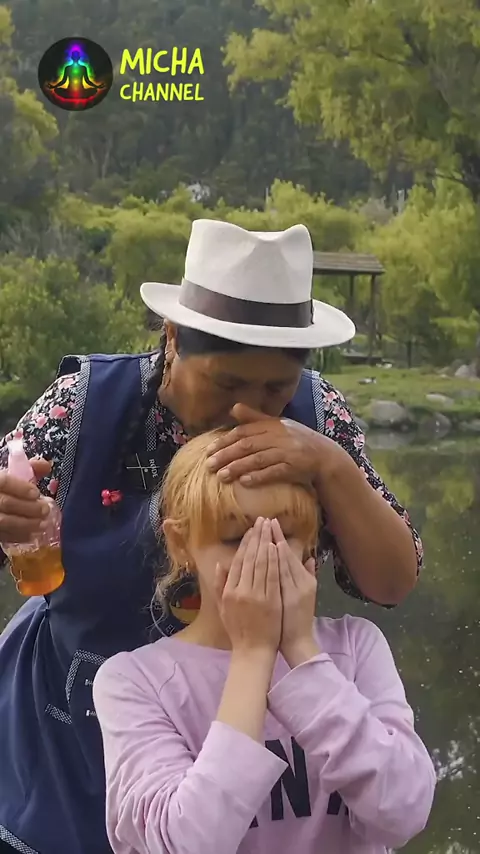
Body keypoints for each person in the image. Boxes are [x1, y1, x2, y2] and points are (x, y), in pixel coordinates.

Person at [0, 219, 423, 854]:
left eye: (274, 389)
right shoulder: (85, 404)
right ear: (172, 338)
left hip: (267, 747)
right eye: (227, 384)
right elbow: (13, 504)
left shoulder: (318, 418)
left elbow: (390, 582)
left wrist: (331, 466)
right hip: (77, 738)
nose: (247, 409)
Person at [93, 429, 436, 854]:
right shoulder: (134, 682)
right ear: (182, 544)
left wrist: (301, 651)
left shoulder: (355, 648)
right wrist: (253, 654)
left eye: (285, 532)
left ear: (311, 542)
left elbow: (404, 811)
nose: (264, 554)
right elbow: (184, 844)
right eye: (234, 538)